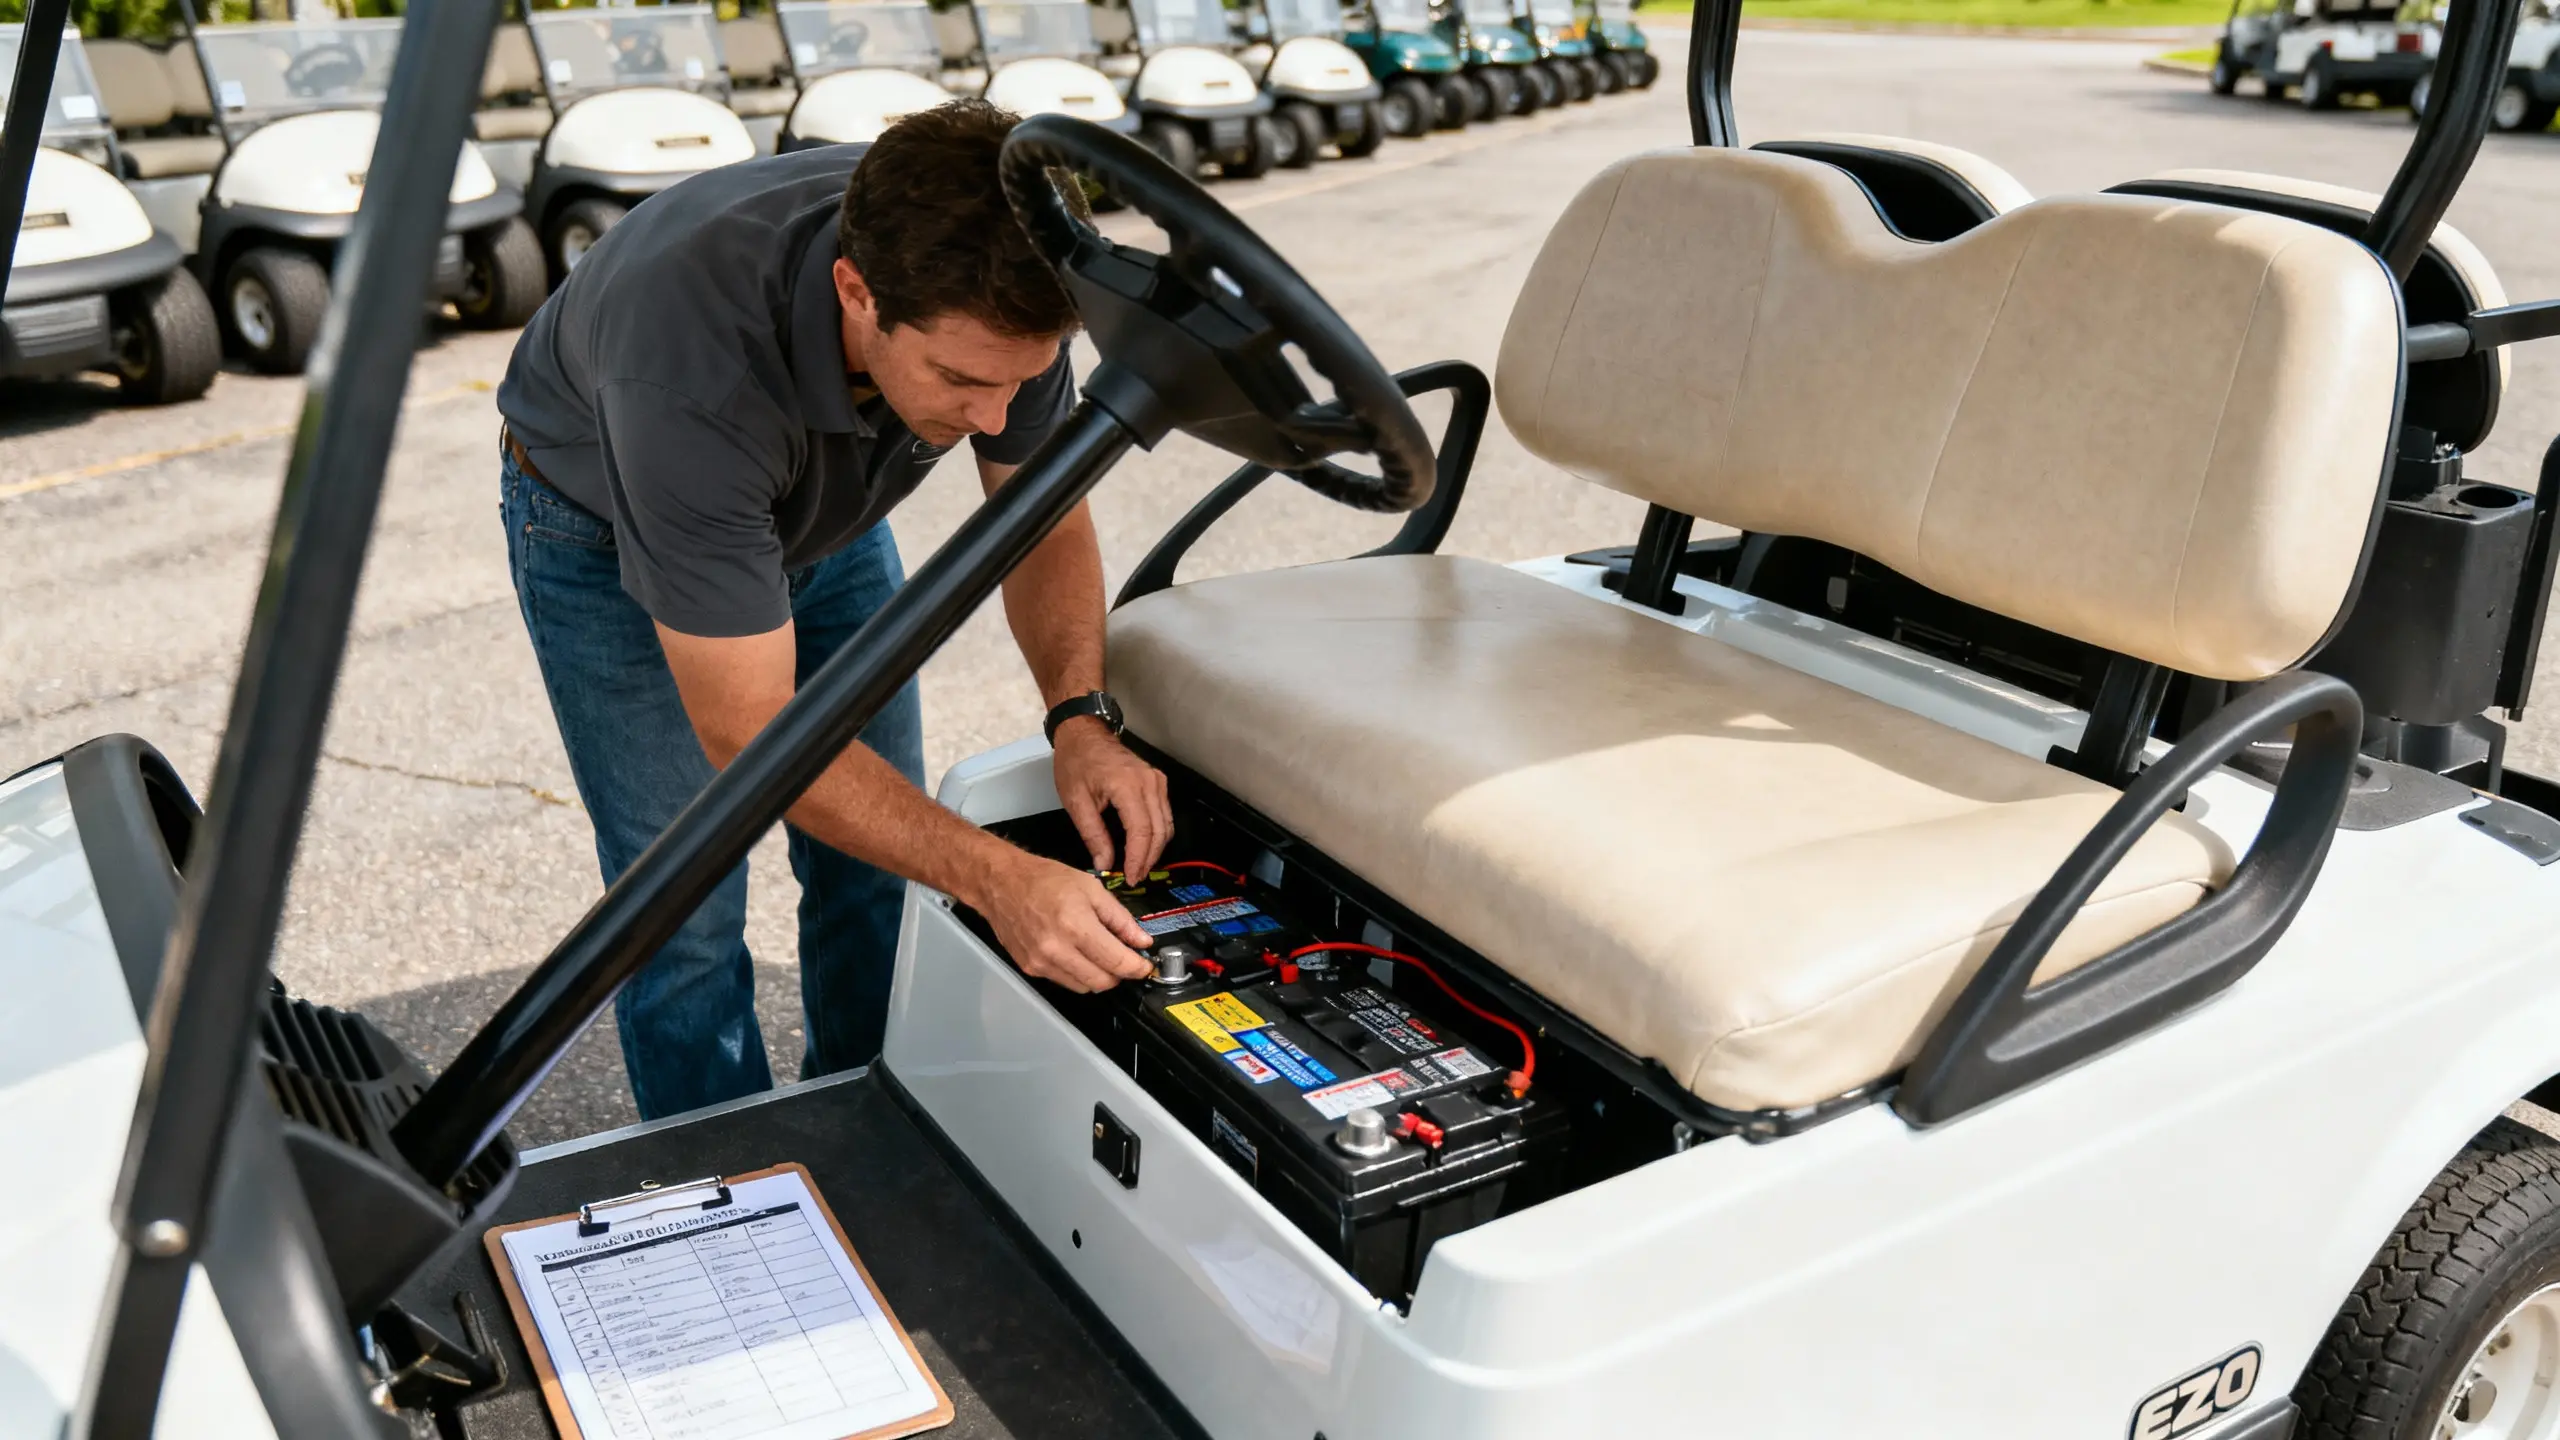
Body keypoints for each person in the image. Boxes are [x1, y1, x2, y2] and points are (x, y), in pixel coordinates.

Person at [496, 101, 1167, 1121]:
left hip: (822, 515)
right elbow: (753, 736)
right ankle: (726, 1181)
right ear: (856, 292)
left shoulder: (1001, 274)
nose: (995, 418)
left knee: (875, 870)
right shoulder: (689, 369)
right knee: (681, 908)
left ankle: (867, 1124)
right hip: (608, 529)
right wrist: (996, 877)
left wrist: (1080, 717)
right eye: (961, 381)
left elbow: (1039, 517)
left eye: (1017, 383)